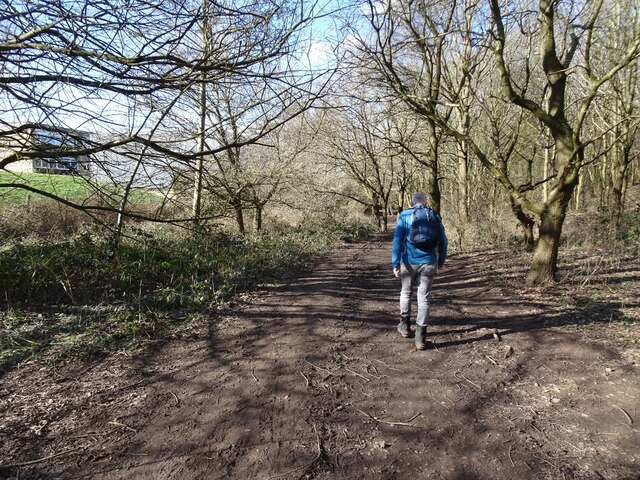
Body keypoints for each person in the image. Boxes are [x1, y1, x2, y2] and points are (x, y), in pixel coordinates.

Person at [391, 193, 448, 350]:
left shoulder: (404, 215)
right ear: (425, 202)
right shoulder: (434, 215)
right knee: (424, 299)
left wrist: (395, 263)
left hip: (408, 262)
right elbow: (444, 241)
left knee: (405, 293)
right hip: (429, 262)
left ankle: (404, 327)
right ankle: (420, 339)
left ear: (412, 202)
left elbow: (397, 241)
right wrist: (441, 260)